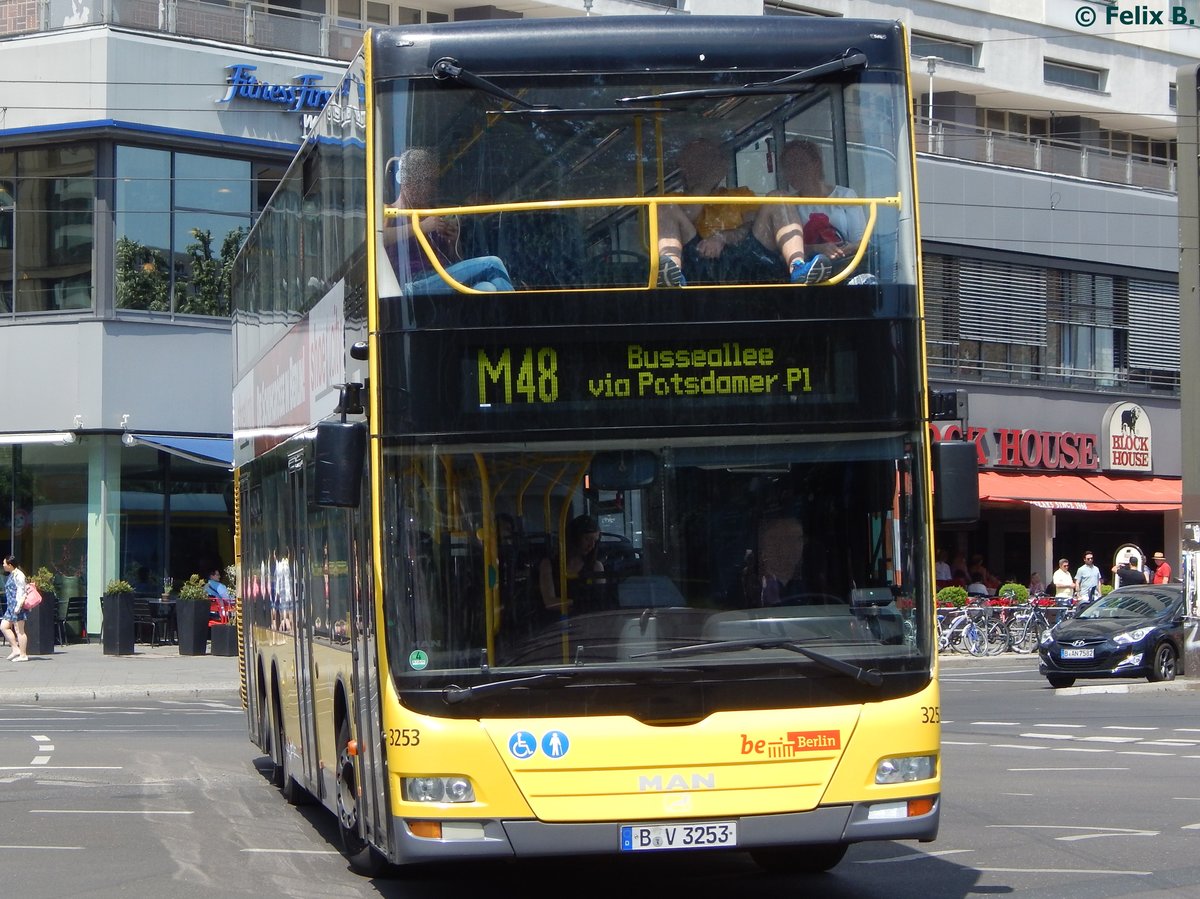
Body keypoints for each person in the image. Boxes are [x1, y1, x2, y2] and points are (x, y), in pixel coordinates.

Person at [656, 138, 831, 287]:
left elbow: (752, 225)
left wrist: (722, 237)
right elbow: (684, 218)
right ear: (684, 166)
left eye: (710, 159)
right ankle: (671, 273)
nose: (706, 164)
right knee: (665, 205)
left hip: (744, 257)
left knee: (779, 197)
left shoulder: (740, 194)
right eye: (699, 159)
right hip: (695, 259)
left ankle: (798, 267)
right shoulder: (672, 200)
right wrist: (705, 185)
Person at [385, 147, 514, 293]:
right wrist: (420, 227)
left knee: (486, 288)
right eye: (427, 180)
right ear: (407, 180)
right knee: (493, 263)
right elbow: (375, 239)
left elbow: (453, 260)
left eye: (432, 182)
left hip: (440, 278)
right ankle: (519, 312)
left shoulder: (432, 213)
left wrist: (453, 242)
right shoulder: (388, 211)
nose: (431, 189)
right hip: (412, 282)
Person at [779, 139, 868, 271]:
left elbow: (861, 241)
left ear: (816, 164)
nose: (794, 171)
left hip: (845, 267)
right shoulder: (788, 204)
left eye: (800, 164)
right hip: (807, 272)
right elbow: (783, 248)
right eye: (788, 167)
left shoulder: (845, 195)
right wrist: (817, 249)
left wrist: (843, 250)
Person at [538, 514, 604, 613]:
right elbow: (549, 602)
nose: (592, 545)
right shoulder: (548, 565)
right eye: (587, 539)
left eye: (595, 541)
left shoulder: (596, 566)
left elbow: (601, 600)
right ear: (574, 538)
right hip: (555, 620)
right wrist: (581, 605)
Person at [2, 555, 29, 662]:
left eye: (4, 563)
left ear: (10, 565)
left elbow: (21, 591)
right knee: (4, 626)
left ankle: (23, 655)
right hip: (10, 607)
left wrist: (18, 607)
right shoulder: (12, 574)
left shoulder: (19, 575)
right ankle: (15, 649)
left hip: (17, 606)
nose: (3, 565)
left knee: (19, 630)